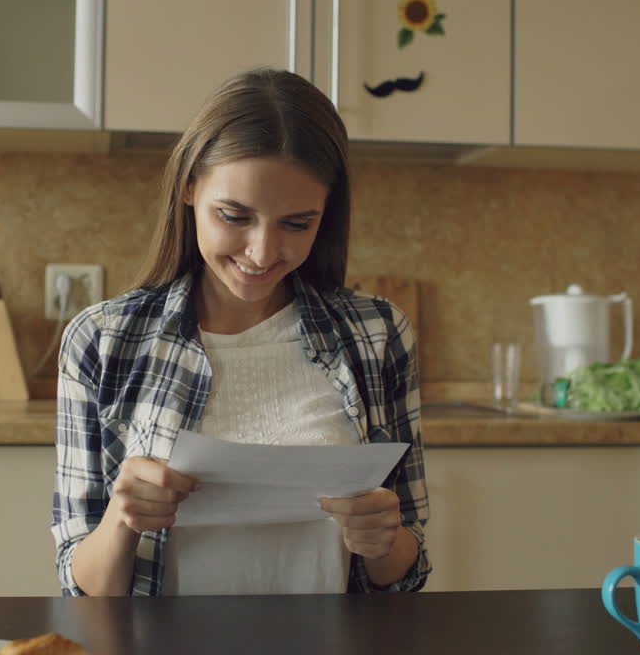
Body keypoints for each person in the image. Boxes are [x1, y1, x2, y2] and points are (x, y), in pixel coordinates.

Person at [50, 68, 429, 597]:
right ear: (188, 187)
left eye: (297, 223)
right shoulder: (102, 340)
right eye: (234, 215)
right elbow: (83, 588)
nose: (263, 251)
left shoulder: (377, 333)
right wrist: (121, 519)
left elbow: (405, 573)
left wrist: (385, 539)